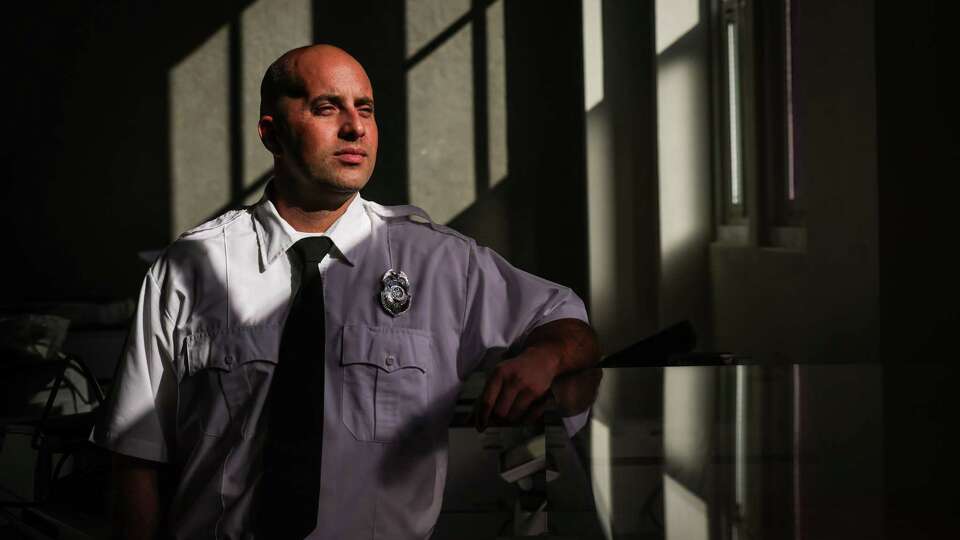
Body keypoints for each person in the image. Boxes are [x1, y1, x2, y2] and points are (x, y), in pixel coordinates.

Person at [91, 44, 602, 539]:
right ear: (272, 133)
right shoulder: (190, 268)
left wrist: (547, 355)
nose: (355, 126)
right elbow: (136, 458)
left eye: (366, 109)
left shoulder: (439, 262)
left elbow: (567, 320)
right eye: (326, 107)